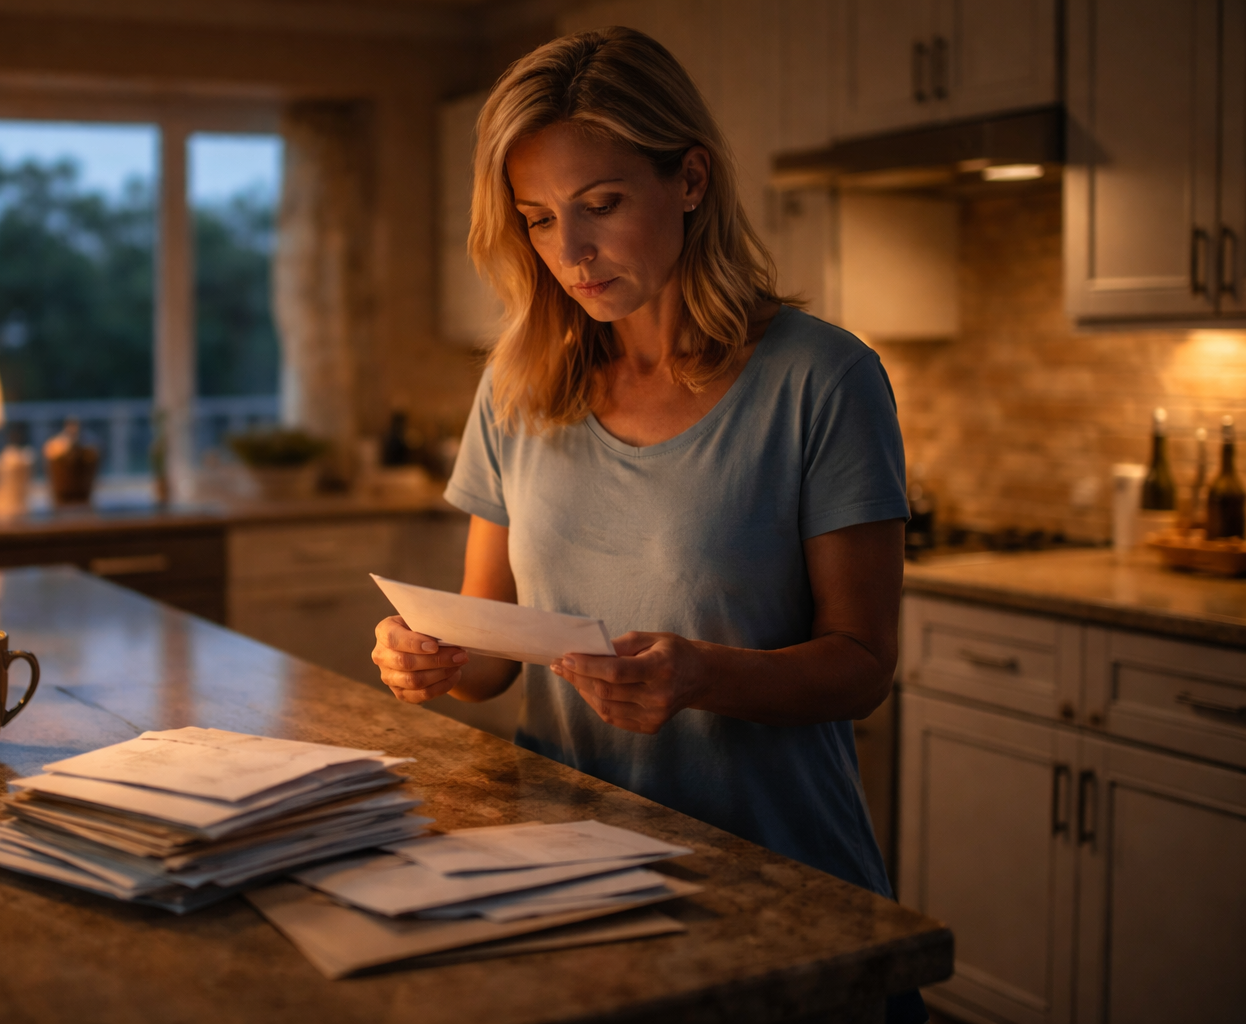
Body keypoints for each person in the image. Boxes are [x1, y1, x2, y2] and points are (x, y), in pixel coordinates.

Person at [371, 27, 925, 1023]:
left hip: (778, 884)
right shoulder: (516, 382)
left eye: (601, 205)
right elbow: (494, 654)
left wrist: (698, 673)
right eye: (538, 220)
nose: (569, 253)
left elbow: (862, 664)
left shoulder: (822, 378)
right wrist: (431, 652)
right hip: (578, 882)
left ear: (691, 180)